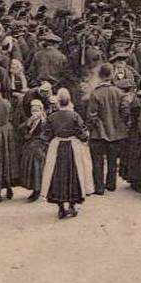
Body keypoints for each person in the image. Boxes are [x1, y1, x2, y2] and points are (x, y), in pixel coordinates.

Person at [39, 88, 93, 219]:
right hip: (73, 147)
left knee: (57, 175)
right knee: (74, 174)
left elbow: (45, 135)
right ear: (69, 101)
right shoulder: (75, 116)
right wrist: (86, 136)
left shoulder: (52, 117)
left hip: (56, 147)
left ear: (58, 102)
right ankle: (73, 205)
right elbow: (82, 134)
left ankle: (61, 207)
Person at [86, 63, 127, 194]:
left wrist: (91, 128)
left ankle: (99, 187)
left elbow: (92, 115)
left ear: (100, 76)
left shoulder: (95, 94)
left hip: (98, 133)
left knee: (97, 161)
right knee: (112, 160)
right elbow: (125, 112)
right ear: (112, 75)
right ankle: (111, 184)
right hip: (115, 132)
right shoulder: (119, 93)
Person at [18, 98, 50, 202]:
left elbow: (46, 135)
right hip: (32, 145)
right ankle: (34, 187)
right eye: (33, 111)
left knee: (36, 158)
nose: (34, 113)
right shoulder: (31, 120)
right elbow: (22, 130)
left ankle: (38, 189)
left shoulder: (44, 121)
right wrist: (29, 122)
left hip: (41, 145)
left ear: (41, 110)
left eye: (37, 110)